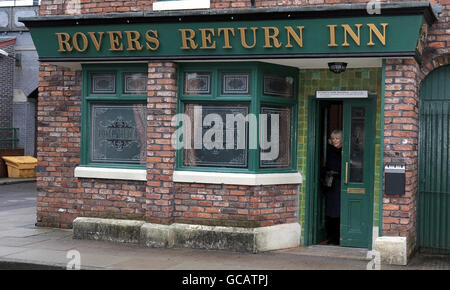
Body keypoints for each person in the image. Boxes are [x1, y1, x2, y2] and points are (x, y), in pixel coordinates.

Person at [323, 130, 342, 245]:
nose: (335, 141)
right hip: (330, 183)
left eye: (337, 138)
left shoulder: (344, 151)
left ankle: (337, 237)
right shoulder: (329, 150)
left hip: (340, 183)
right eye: (333, 138)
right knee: (330, 211)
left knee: (338, 211)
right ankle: (331, 237)